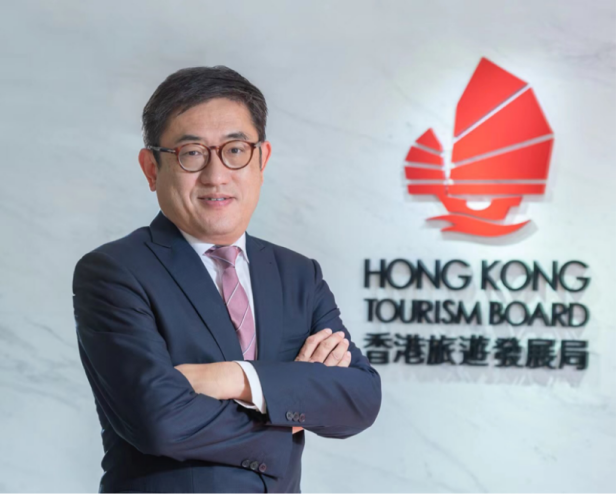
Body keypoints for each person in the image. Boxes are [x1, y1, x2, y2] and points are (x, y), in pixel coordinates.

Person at [72, 65, 382, 494]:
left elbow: (359, 398)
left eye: (235, 150)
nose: (216, 176)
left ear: (262, 159)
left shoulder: (297, 274)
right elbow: (158, 421)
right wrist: (287, 403)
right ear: (151, 168)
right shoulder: (115, 271)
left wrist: (234, 378)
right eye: (192, 153)